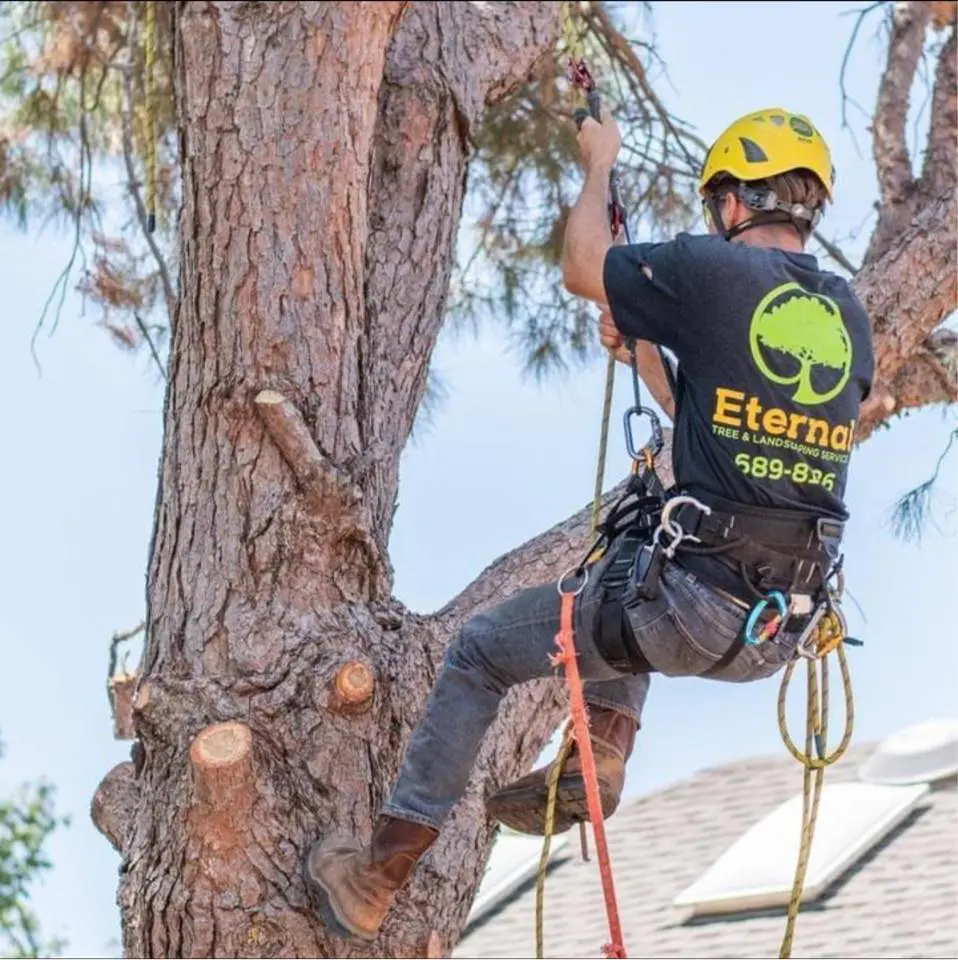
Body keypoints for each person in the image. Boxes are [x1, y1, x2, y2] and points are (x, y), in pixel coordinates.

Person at [303, 106, 875, 944]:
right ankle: (600, 751)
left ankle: (378, 873)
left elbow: (582, 265)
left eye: (719, 203)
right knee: (630, 559)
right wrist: (645, 353)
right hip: (777, 629)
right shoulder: (847, 315)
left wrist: (599, 162)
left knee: (480, 650)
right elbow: (708, 427)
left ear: (736, 200)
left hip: (692, 606)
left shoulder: (717, 272)